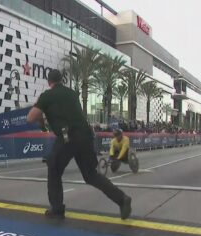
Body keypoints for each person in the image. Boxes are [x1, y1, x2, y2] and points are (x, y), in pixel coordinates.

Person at [27, 69, 132, 220]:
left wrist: (41, 113)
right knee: (91, 175)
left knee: (54, 169)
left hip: (67, 137)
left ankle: (57, 209)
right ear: (61, 79)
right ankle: (122, 199)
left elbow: (31, 117)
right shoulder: (71, 93)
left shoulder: (47, 96)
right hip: (86, 136)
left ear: (49, 81)